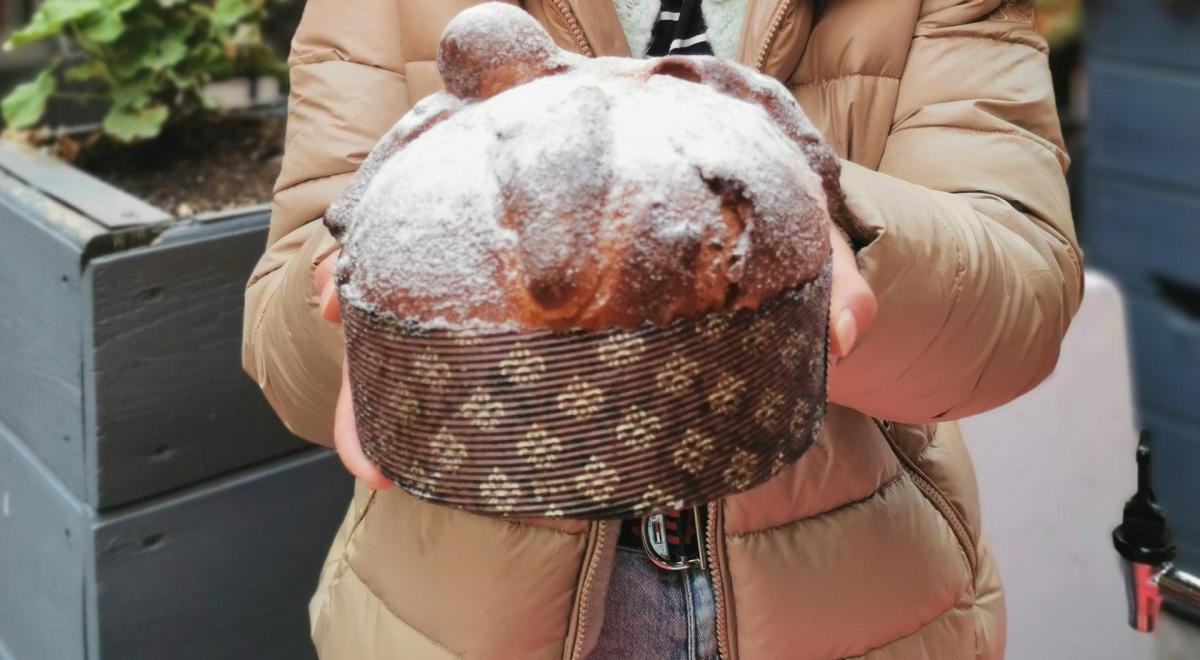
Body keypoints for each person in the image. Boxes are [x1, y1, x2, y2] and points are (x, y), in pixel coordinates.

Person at [242, 0, 1081, 658]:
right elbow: (291, 356)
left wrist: (812, 219)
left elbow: (1015, 315)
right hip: (455, 621)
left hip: (864, 608)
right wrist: (383, 290)